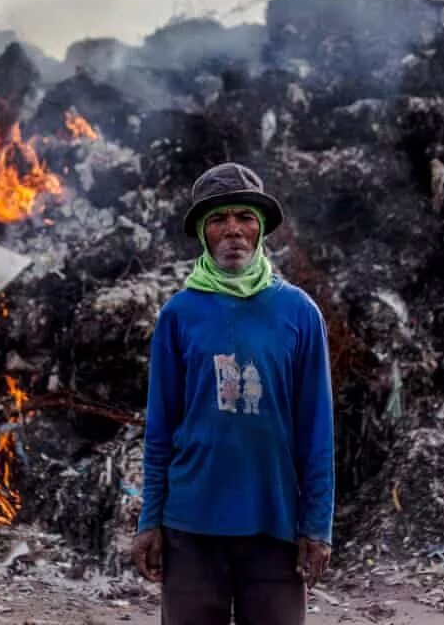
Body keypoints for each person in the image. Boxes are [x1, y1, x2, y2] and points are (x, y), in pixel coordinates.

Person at [132, 162, 335, 625]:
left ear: (260, 229)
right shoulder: (180, 314)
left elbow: (317, 431)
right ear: (203, 234)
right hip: (191, 526)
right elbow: (160, 428)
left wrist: (316, 525)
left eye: (245, 217)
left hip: (274, 525)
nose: (233, 230)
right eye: (218, 219)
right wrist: (150, 519)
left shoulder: (298, 313)